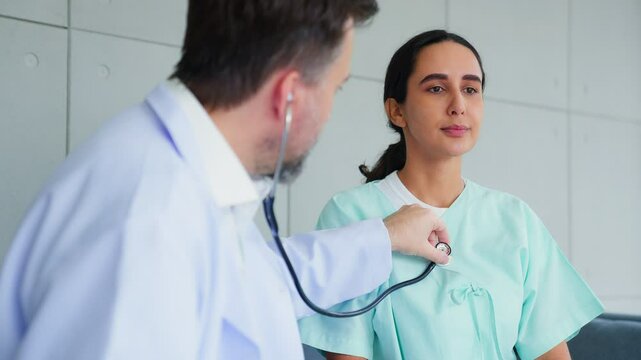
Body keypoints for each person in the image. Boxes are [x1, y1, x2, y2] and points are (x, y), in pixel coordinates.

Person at [0, 2, 455, 359]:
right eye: (333, 89)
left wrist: (384, 236)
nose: (330, 112)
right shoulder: (148, 221)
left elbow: (258, 281)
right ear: (288, 96)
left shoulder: (182, 178)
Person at [298, 30, 604, 360]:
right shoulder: (350, 216)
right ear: (396, 111)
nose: (458, 105)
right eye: (437, 88)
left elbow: (550, 353)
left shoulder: (515, 219)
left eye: (471, 89)